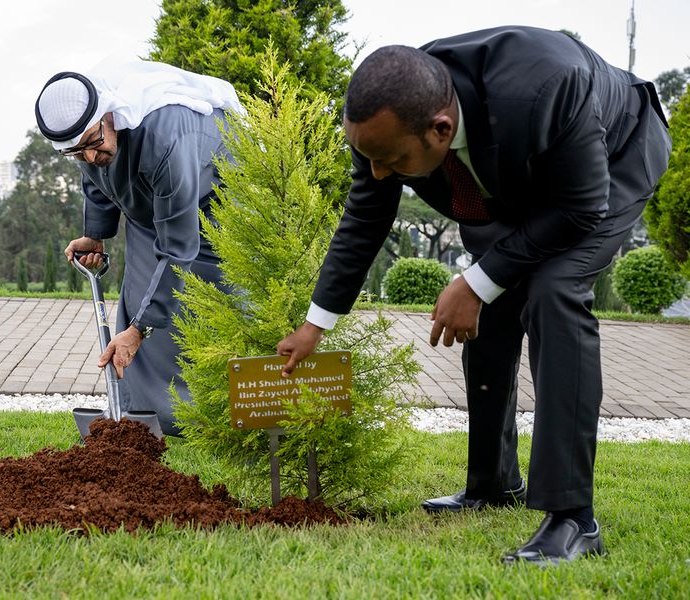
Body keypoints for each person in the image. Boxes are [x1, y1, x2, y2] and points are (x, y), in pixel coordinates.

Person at [277, 26, 670, 564]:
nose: (377, 172)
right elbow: (366, 215)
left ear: (441, 129)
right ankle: (491, 483)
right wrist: (314, 324)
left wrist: (475, 281)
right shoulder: (389, 115)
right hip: (517, 173)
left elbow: (581, 207)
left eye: (391, 161)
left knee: (554, 290)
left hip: (615, 155)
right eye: (368, 157)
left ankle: (573, 519)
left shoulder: (548, 85)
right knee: (493, 297)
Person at [34, 57, 244, 436]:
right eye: (78, 152)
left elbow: (179, 249)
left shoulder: (167, 139)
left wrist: (139, 330)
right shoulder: (89, 138)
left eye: (95, 144)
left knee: (212, 302)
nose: (91, 157)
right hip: (153, 205)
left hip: (218, 200)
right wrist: (95, 234)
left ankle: (222, 418)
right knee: (142, 296)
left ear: (110, 115)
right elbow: (96, 178)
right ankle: (150, 416)